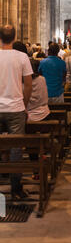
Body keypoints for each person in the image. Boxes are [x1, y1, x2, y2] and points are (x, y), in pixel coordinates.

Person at [0, 25, 33, 199]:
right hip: (16, 108)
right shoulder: (22, 57)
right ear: (14, 38)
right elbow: (28, 84)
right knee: (16, 149)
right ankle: (16, 188)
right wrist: (25, 104)